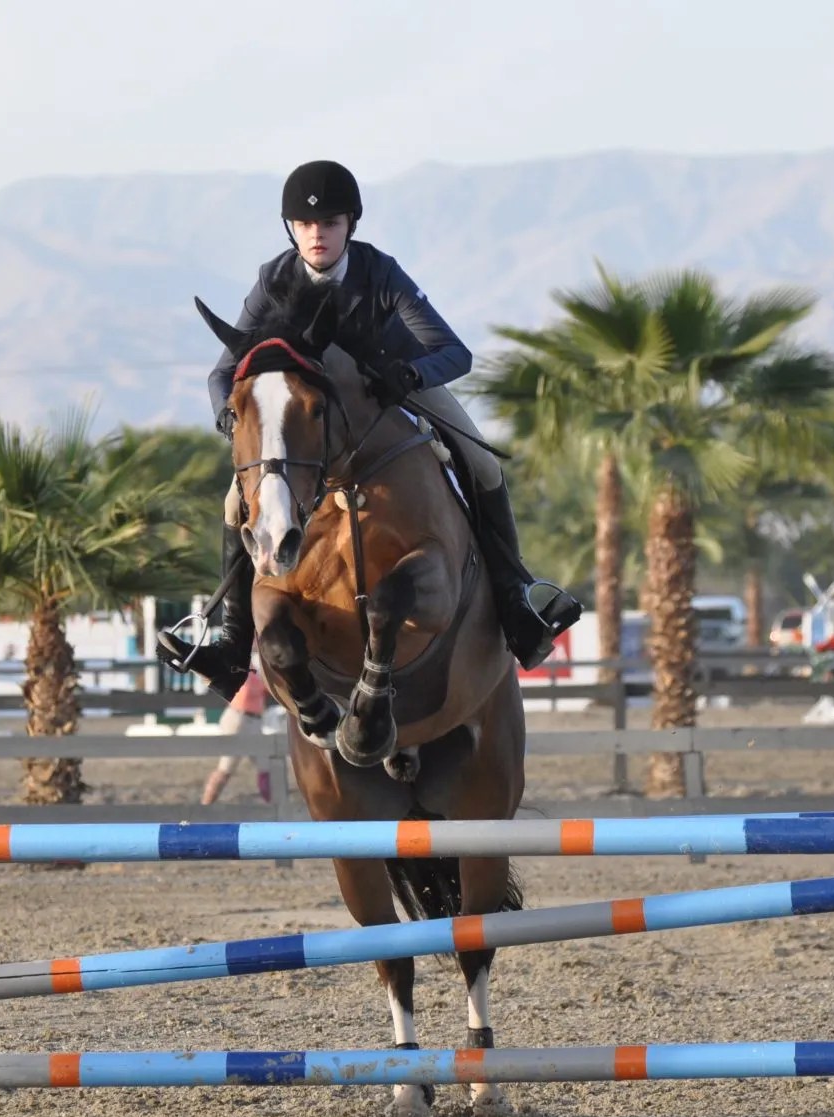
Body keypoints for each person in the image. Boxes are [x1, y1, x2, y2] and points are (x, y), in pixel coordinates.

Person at [157, 159, 581, 700]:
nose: (317, 234)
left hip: (391, 389)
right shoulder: (273, 279)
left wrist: (410, 373)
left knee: (482, 464)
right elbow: (223, 373)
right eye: (306, 224)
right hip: (312, 414)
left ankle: (518, 603)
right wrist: (228, 414)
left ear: (350, 225)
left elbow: (455, 353)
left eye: (330, 223)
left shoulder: (380, 272)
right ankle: (232, 645)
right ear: (291, 229)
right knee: (235, 503)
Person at [199, 665, 282, 805]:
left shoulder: (254, 669)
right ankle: (206, 804)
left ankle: (272, 804)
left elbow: (267, 689)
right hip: (239, 719)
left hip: (255, 721)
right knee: (226, 768)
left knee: (265, 765)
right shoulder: (238, 667)